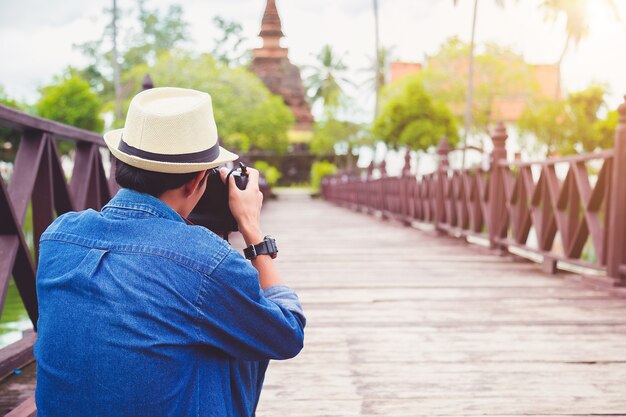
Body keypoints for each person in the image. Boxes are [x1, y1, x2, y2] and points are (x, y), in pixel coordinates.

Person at [34, 87, 306, 416]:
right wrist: (251, 228)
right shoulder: (206, 260)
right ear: (194, 183)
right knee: (237, 329)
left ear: (123, 164)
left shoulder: (58, 235)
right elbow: (287, 334)